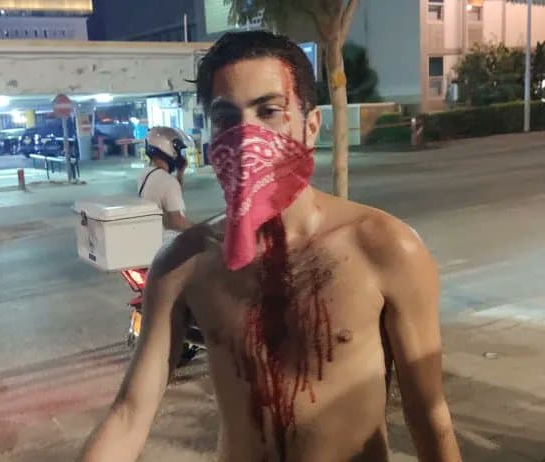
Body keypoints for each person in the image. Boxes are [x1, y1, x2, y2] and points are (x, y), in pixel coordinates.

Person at [80, 31, 461, 462]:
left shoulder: (384, 248)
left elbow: (429, 418)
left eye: (269, 111)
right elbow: (130, 414)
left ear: (310, 126)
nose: (247, 136)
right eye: (226, 117)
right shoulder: (183, 265)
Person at [137, 126, 192, 238]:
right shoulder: (168, 182)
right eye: (178, 151)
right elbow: (177, 222)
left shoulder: (145, 174)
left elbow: (171, 198)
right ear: (168, 149)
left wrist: (180, 173)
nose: (179, 156)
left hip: (151, 236)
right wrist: (203, 231)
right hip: (166, 240)